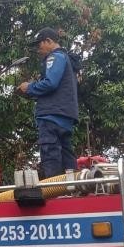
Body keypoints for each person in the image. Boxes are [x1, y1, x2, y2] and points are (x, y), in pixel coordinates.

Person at [16, 27, 80, 178]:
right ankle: (71, 190)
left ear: (49, 41)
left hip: (51, 116)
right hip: (65, 117)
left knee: (50, 155)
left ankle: (54, 193)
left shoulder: (55, 57)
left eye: (40, 45)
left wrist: (29, 87)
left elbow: (51, 83)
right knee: (67, 158)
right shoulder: (66, 59)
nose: (39, 50)